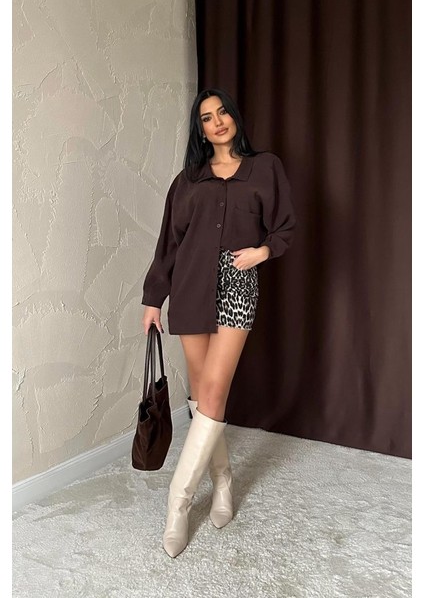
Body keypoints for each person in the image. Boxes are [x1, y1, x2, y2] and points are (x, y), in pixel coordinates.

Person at [141, 88, 296, 557]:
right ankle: (223, 480)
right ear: (201, 130)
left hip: (237, 285)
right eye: (207, 118)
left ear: (234, 117)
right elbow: (170, 243)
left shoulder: (265, 168)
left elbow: (285, 227)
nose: (217, 121)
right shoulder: (187, 180)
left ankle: (178, 503)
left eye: (222, 112)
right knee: (201, 395)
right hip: (189, 286)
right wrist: (153, 299)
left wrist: (263, 252)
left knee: (212, 390)